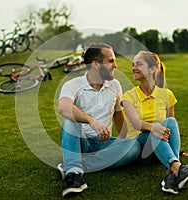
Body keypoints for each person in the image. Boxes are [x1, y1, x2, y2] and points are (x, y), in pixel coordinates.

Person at [57, 43, 141, 197]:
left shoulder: (115, 85)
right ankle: (74, 175)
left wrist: (121, 144)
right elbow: (63, 107)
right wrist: (92, 121)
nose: (115, 65)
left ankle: (73, 165)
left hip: (104, 142)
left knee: (134, 147)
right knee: (70, 120)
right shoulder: (73, 84)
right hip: (81, 141)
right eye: (110, 61)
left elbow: (118, 114)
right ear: (95, 64)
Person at [121, 51, 188, 194]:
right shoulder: (128, 96)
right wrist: (154, 127)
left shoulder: (167, 95)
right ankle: (179, 169)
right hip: (141, 151)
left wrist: (179, 150)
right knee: (157, 127)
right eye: (132, 64)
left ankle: (173, 172)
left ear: (152, 69)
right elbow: (136, 123)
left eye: (139, 64)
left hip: (160, 153)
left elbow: (172, 127)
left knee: (170, 121)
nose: (133, 68)